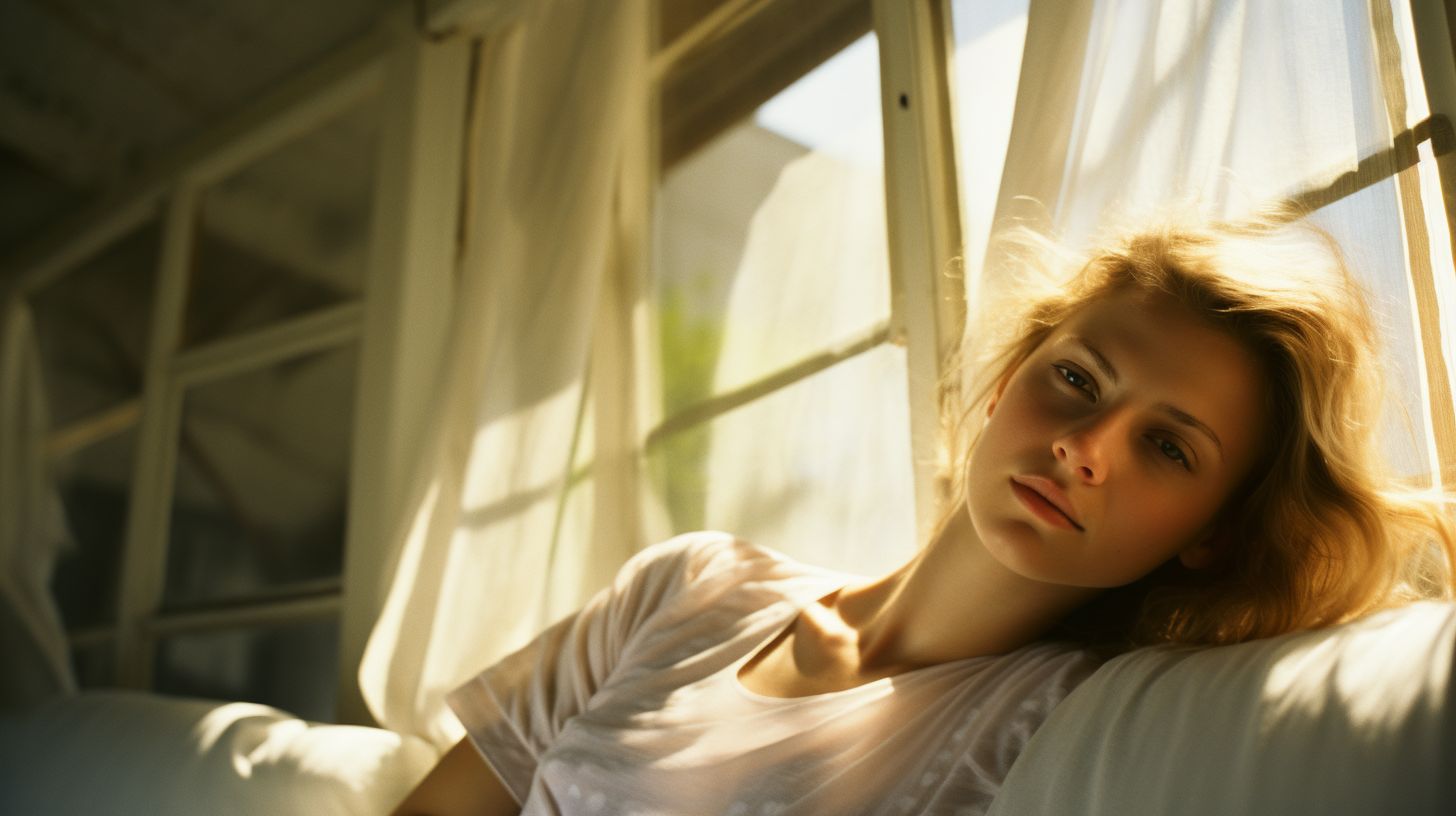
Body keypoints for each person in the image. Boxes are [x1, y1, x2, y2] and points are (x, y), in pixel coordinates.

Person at [390, 211, 1456, 815]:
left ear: (1210, 533)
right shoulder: (686, 586)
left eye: (1167, 447)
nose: (1083, 450)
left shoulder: (1062, 726)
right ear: (1003, 386)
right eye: (1078, 380)